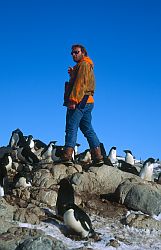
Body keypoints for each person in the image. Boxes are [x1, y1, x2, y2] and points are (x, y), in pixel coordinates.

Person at [61, 44, 104, 166]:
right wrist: (73, 74)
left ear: (83, 53)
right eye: (72, 53)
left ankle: (67, 156)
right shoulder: (84, 65)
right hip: (88, 101)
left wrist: (73, 100)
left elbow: (80, 85)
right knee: (87, 128)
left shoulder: (84, 64)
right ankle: (98, 157)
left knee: (71, 126)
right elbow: (84, 81)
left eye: (76, 52)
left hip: (80, 101)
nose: (74, 54)